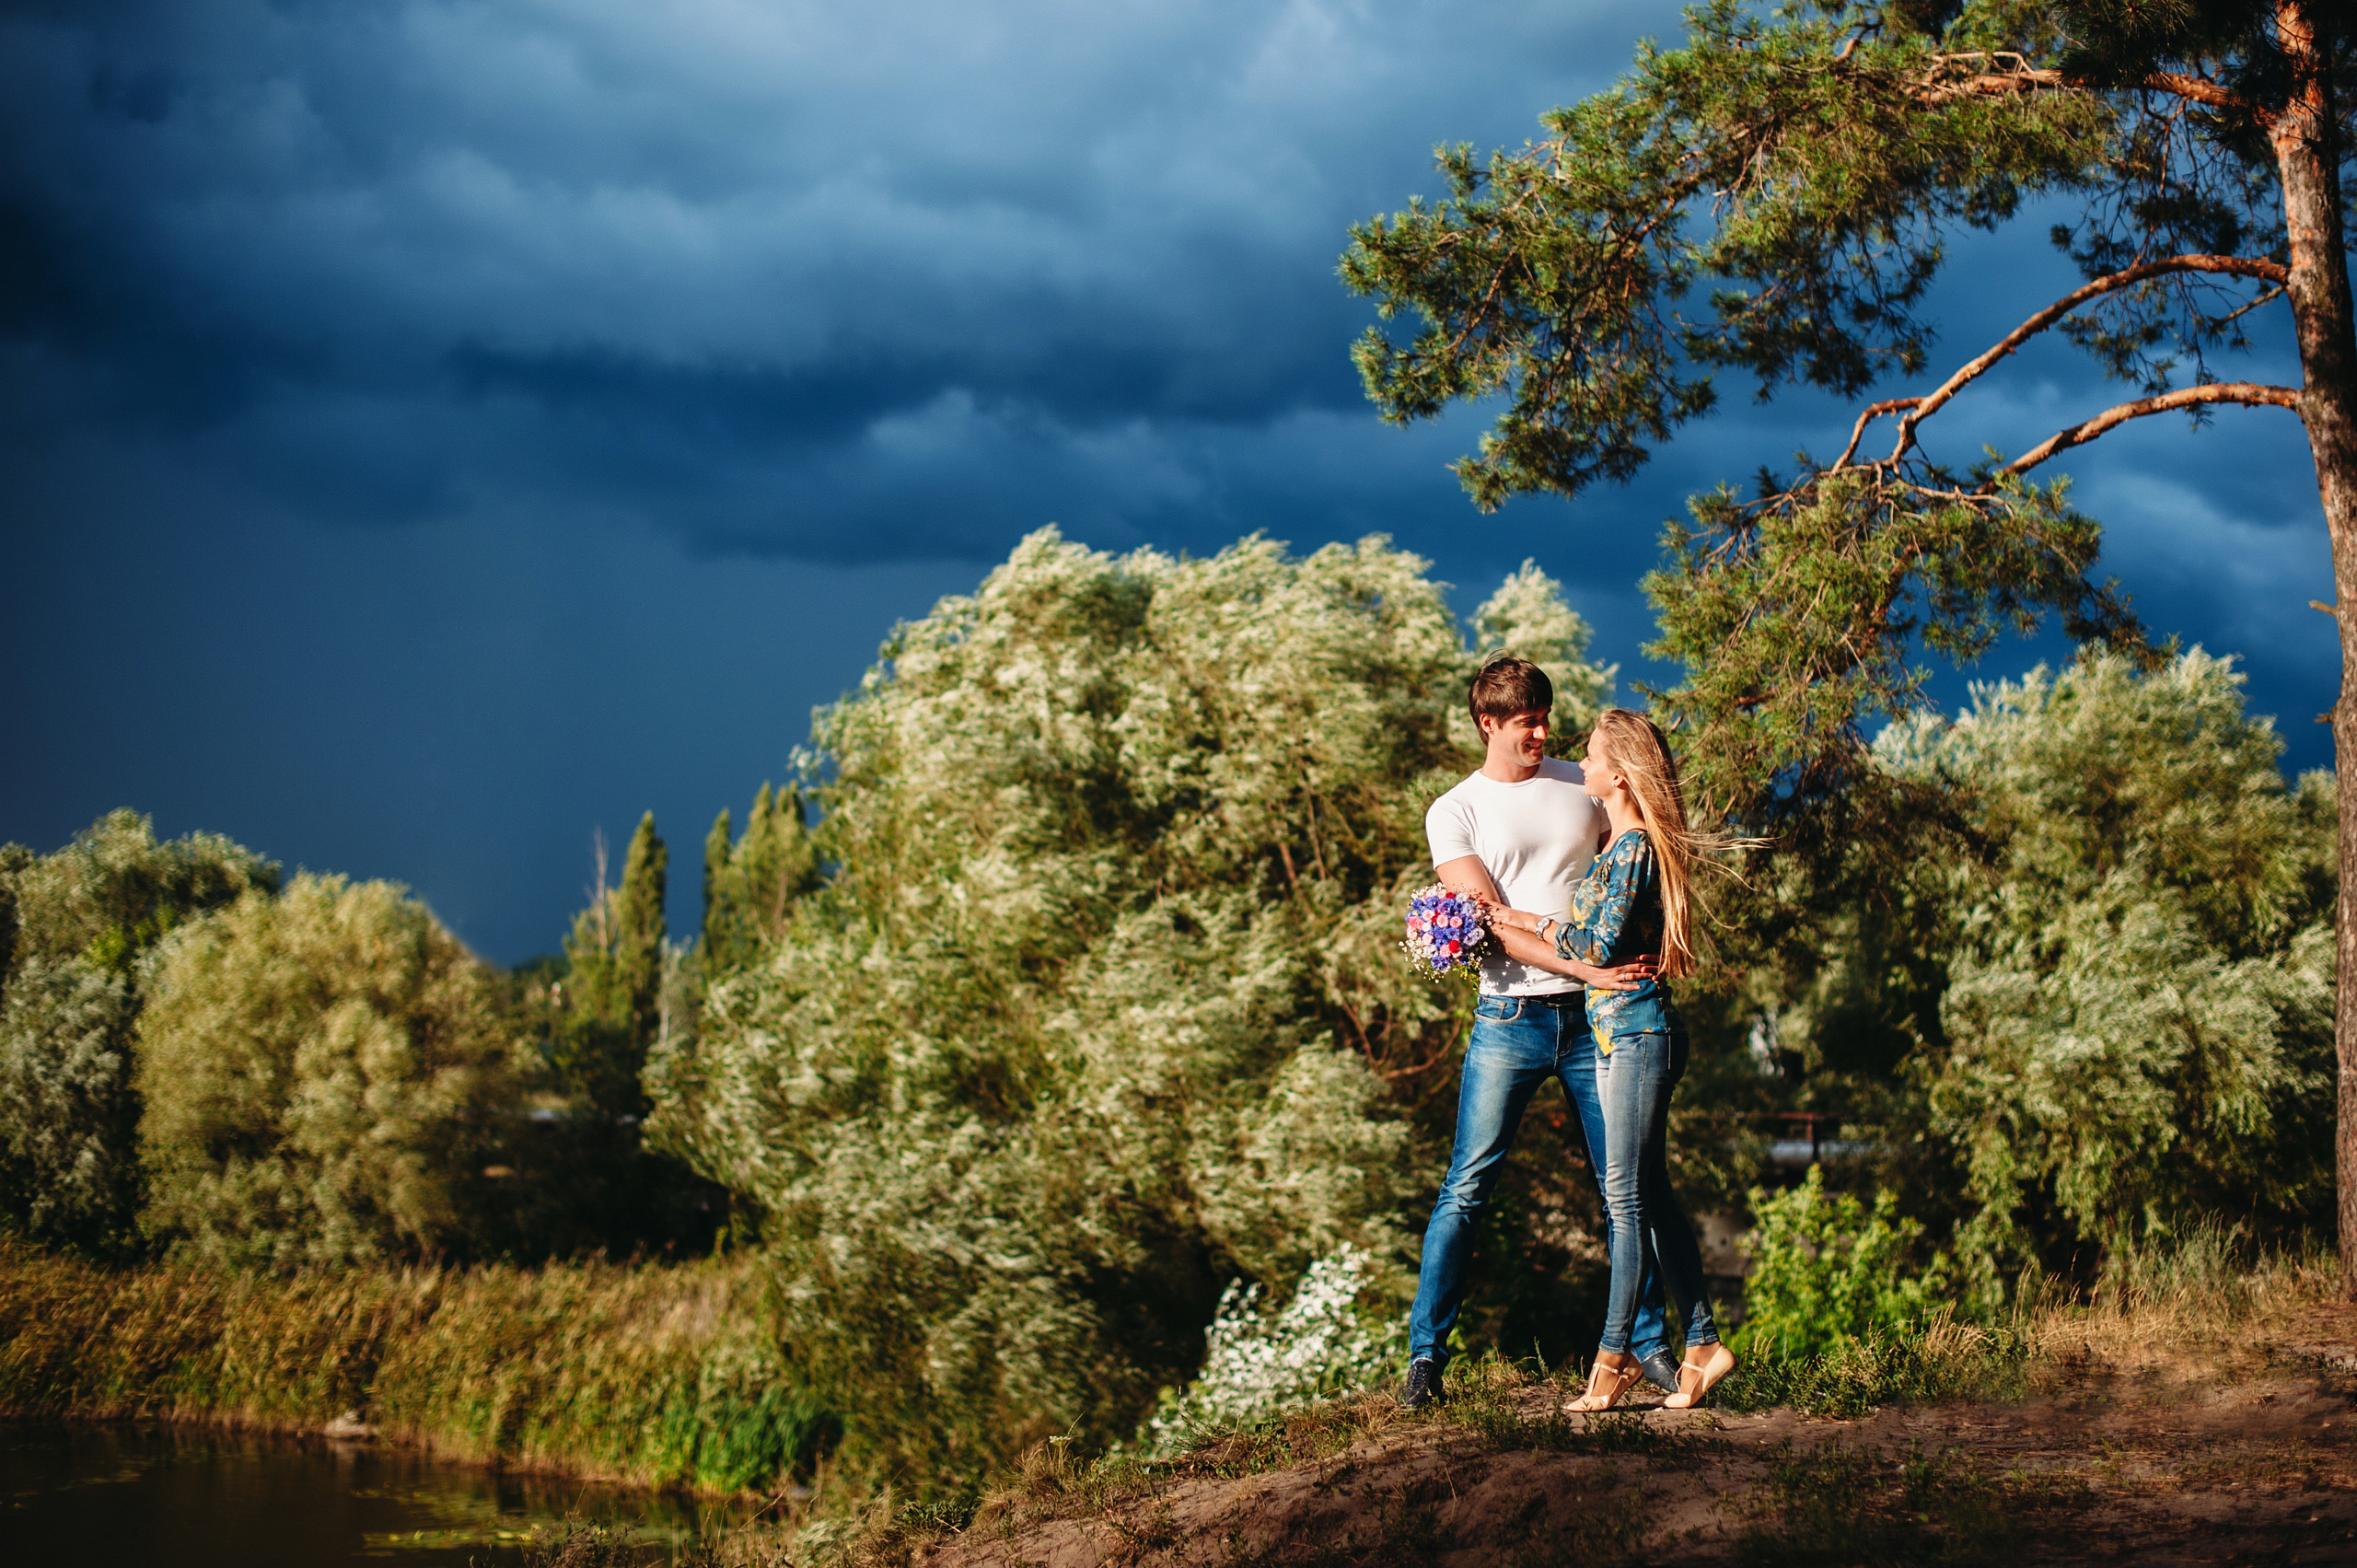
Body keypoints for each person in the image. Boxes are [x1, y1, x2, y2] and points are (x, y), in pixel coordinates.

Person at [1399, 657, 1674, 1411]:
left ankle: (1646, 1346)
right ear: (1488, 722)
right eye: (1526, 721)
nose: (1543, 733)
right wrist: (1592, 970)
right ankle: (1426, 1358)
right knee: (1467, 1187)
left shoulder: (1580, 785)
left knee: (1628, 1187)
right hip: (1511, 1019)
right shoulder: (1453, 810)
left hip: (1598, 1023)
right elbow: (1490, 924)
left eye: (1545, 718)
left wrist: (1654, 943)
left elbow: (1636, 858)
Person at [1487, 707, 1738, 1412]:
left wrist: (1521, 920)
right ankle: (1702, 1346)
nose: (1582, 764)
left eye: (1592, 756)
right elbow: (1598, 937)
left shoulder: (1631, 850)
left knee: (1624, 1201)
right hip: (1624, 1035)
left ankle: (1613, 1355)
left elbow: (1594, 949)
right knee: (1649, 1198)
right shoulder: (1620, 844)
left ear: (1619, 776)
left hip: (1637, 1034)